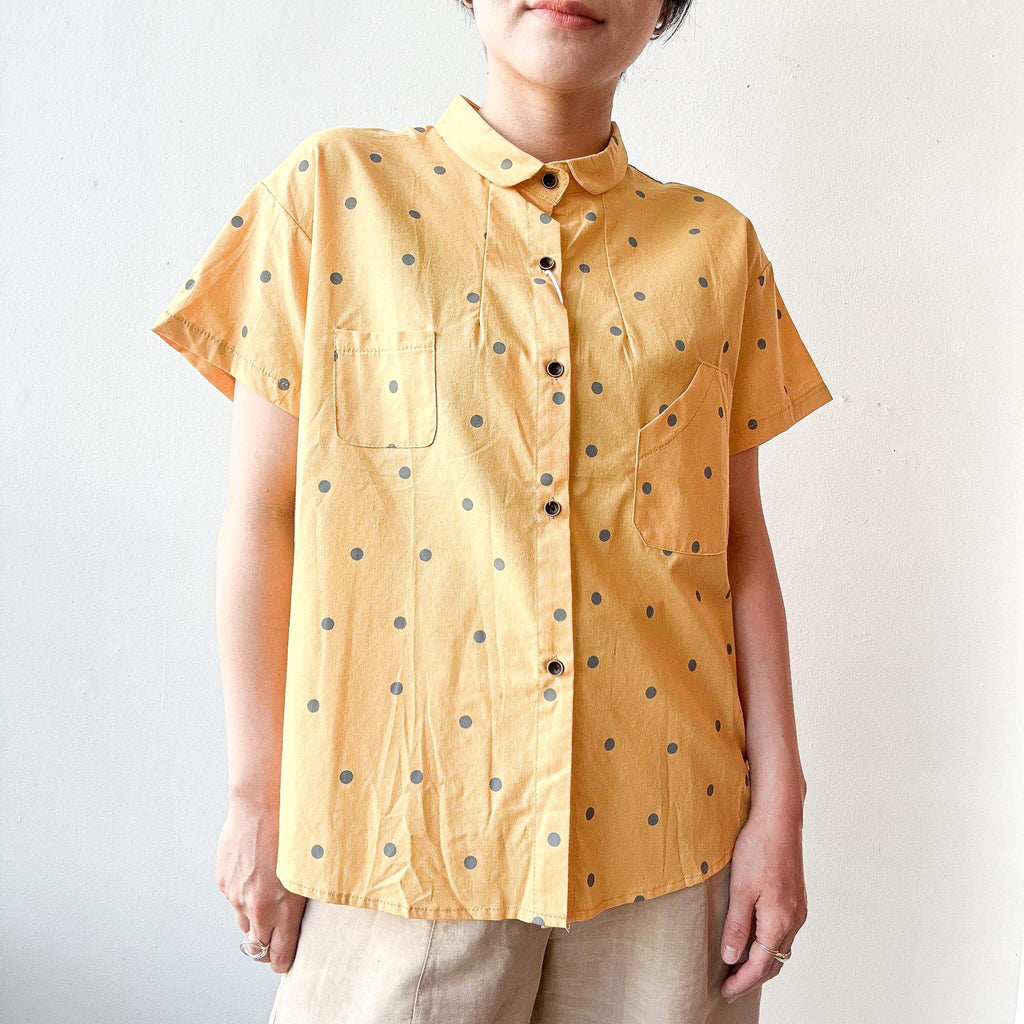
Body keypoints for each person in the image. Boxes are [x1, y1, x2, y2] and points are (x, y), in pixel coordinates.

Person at [149, 1, 833, 1020]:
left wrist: (781, 806)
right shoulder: (331, 193)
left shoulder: (715, 247)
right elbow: (265, 516)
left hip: (666, 845)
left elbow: (735, 550)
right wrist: (255, 794)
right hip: (397, 836)